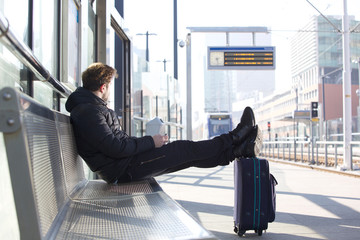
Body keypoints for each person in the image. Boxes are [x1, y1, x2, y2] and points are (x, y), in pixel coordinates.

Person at [65, 63, 262, 184]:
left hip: (124, 165)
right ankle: (235, 137)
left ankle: (238, 150)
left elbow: (117, 143)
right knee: (184, 149)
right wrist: (151, 142)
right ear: (103, 86)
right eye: (109, 87)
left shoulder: (91, 108)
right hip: (123, 170)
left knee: (188, 157)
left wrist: (149, 142)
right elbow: (116, 147)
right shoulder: (88, 112)